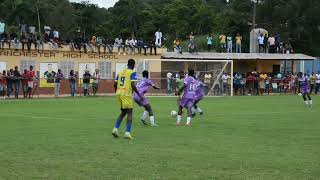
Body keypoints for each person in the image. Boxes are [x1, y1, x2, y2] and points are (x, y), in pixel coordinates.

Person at [112, 59, 143, 140]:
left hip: (119, 94)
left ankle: (115, 129)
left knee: (123, 112)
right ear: (133, 65)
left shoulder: (120, 72)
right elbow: (133, 85)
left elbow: (115, 84)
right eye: (134, 65)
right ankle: (127, 132)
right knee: (130, 112)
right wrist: (139, 95)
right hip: (127, 94)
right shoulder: (132, 73)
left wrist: (117, 92)